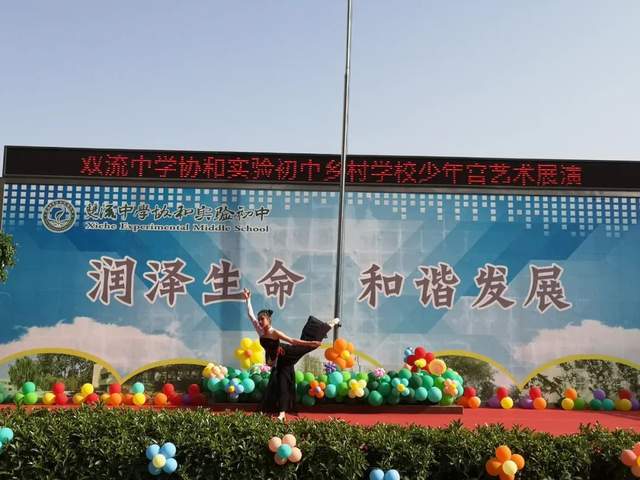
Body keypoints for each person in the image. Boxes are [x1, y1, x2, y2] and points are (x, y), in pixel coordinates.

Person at [242, 288, 339, 421]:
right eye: (259, 319)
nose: (259, 321)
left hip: (287, 353)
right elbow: (250, 315)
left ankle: (327, 326)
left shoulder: (274, 332)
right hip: (278, 362)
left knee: (306, 347)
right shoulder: (260, 330)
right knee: (281, 384)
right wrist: (247, 299)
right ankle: (281, 414)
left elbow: (293, 341)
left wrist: (310, 343)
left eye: (262, 319)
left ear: (268, 320)